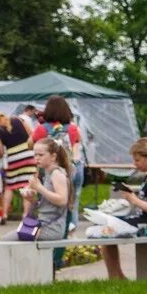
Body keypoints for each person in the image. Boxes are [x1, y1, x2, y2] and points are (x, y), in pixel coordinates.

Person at [101, 139, 147, 279]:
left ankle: (115, 277)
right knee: (107, 226)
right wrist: (132, 195)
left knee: (108, 229)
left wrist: (133, 199)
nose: (135, 164)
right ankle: (118, 276)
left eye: (138, 160)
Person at [30, 96, 83, 231]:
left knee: (51, 202)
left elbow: (29, 143)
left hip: (54, 171)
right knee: (73, 203)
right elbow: (78, 141)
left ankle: (54, 231)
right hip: (74, 168)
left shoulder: (42, 129)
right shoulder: (73, 128)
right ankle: (70, 232)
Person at [20, 137, 71, 243]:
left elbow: (62, 200)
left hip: (52, 227)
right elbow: (44, 203)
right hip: (40, 223)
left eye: (41, 155)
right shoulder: (44, 173)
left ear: (53, 156)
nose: (37, 158)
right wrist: (30, 198)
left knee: (6, 243)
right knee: (6, 241)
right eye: (35, 155)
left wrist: (39, 188)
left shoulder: (57, 174)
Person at [0, 111, 34, 224]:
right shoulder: (18, 119)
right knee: (27, 184)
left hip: (13, 158)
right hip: (28, 154)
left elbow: (0, 150)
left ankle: (4, 214)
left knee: (10, 186)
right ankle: (25, 215)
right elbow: (31, 134)